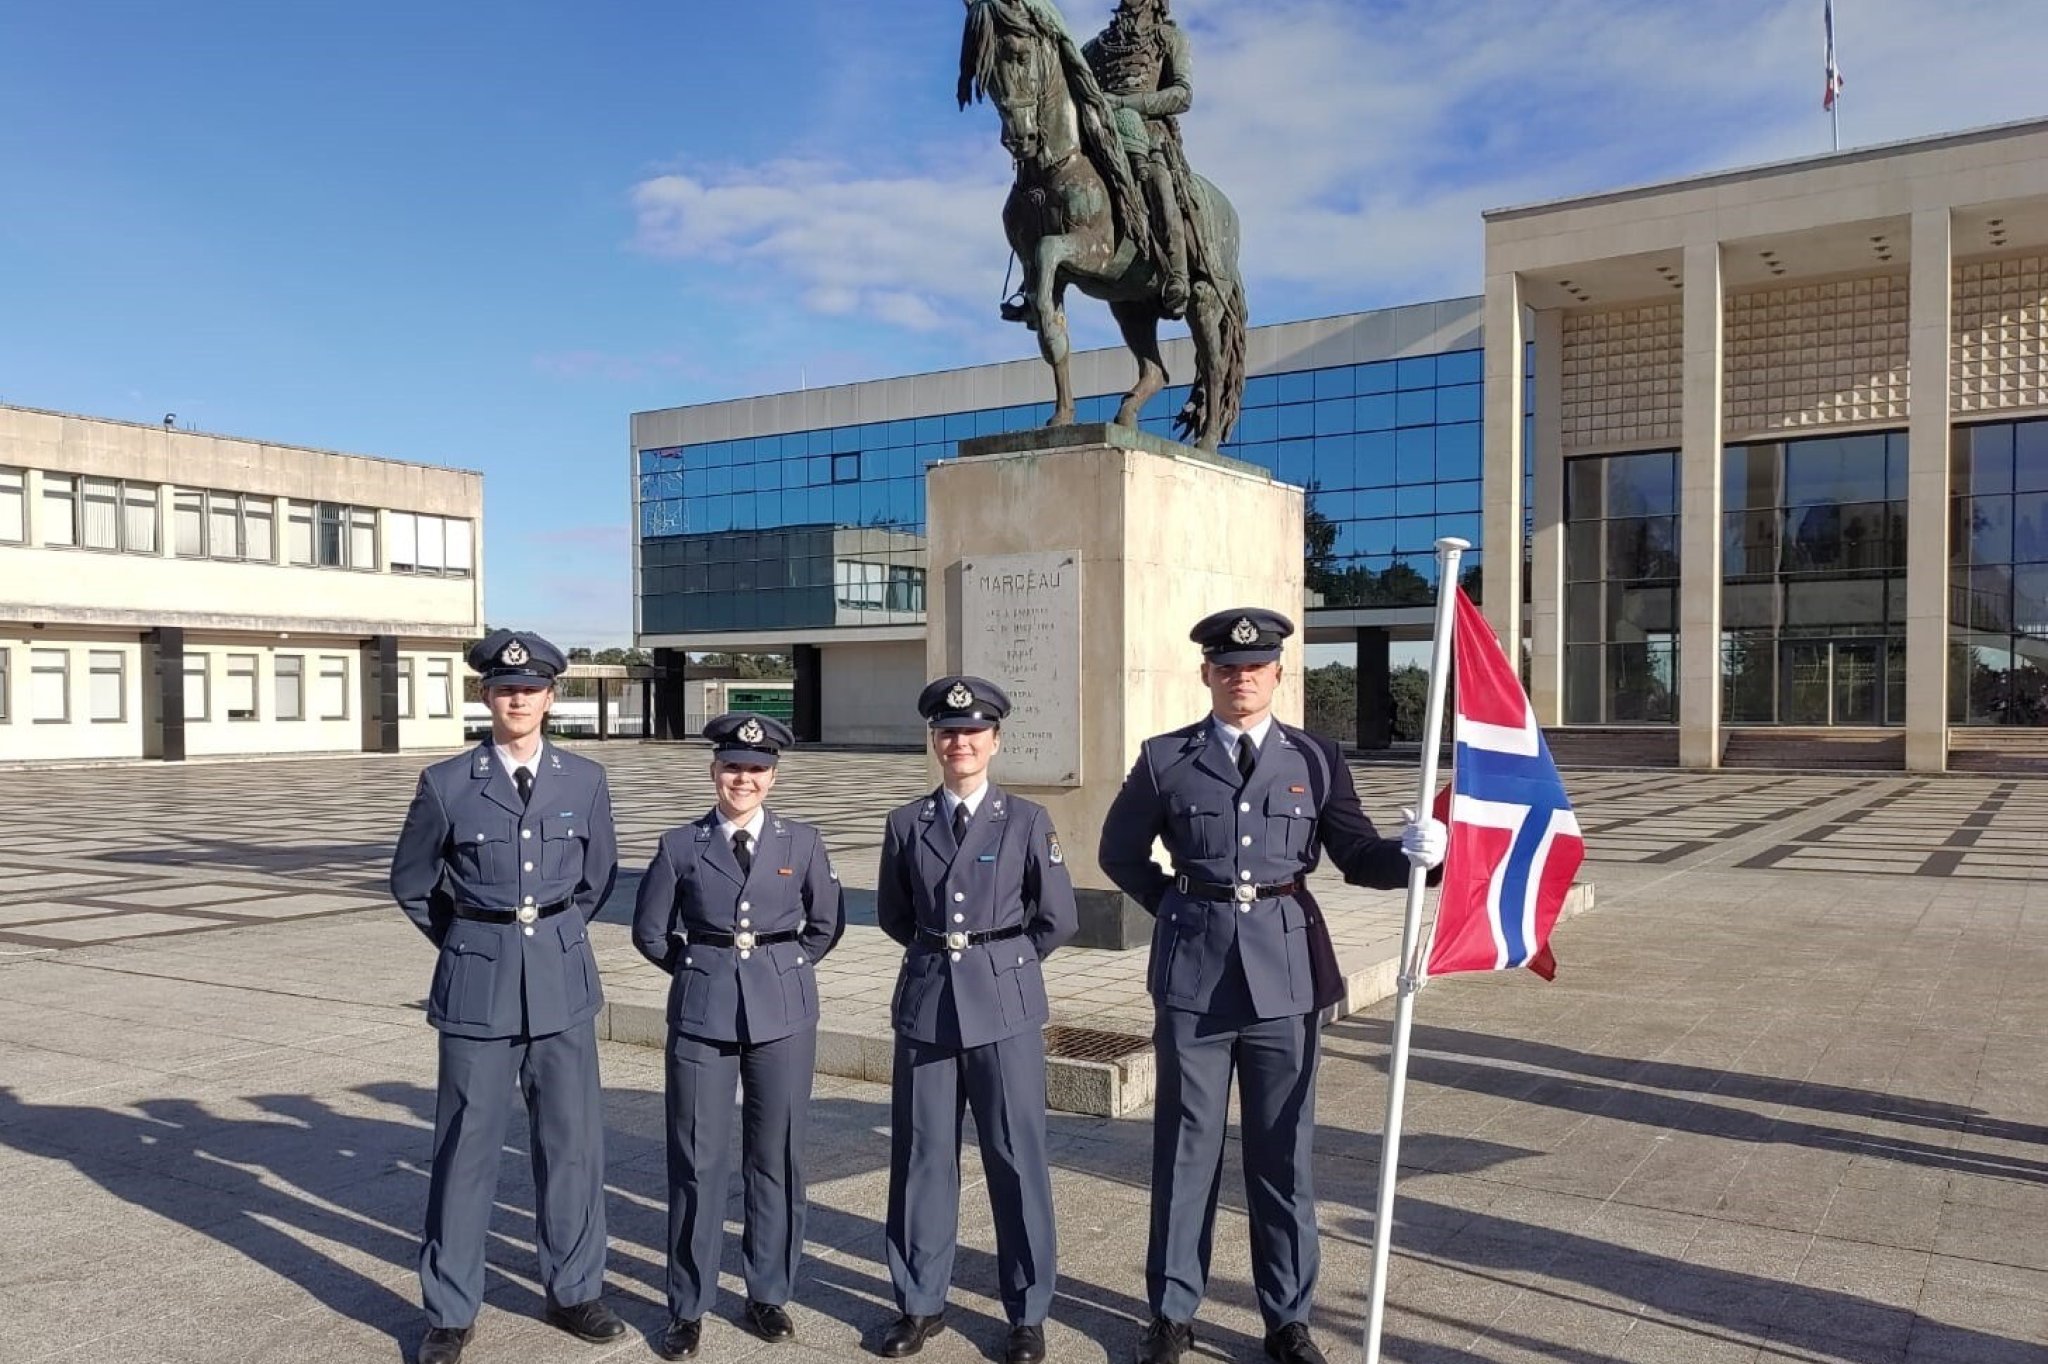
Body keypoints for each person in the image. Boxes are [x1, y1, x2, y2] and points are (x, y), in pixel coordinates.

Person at [1097, 610, 1446, 1364]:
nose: (1241, 678)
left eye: (1255, 667)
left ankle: (1288, 1320)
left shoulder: (1315, 758)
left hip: (1287, 978)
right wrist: (1182, 909)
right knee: (1186, 1149)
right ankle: (1172, 1313)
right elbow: (1119, 854)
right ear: (1207, 675)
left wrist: (1422, 858)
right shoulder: (1166, 758)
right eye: (1227, 667)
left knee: (1283, 1152)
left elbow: (1356, 855)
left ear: (1279, 673)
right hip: (1194, 980)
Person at [389, 629, 625, 1364]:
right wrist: (471, 941)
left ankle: (575, 1288)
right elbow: (411, 881)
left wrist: (547, 939)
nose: (517, 697)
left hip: (560, 985)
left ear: (552, 696)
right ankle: (451, 1309)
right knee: (465, 1147)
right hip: (477, 988)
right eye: (504, 687)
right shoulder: (446, 782)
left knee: (572, 1143)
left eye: (531, 688)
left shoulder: (583, 780)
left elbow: (597, 880)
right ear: (485, 695)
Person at [873, 676, 1079, 1364]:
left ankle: (1026, 1311)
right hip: (929, 1006)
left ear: (995, 740)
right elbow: (897, 917)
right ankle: (920, 1301)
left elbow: (1056, 918)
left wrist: (999, 967)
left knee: (1015, 1159)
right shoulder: (907, 823)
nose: (958, 742)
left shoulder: (1025, 820)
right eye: (947, 732)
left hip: (1005, 1009)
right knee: (923, 1158)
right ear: (934, 740)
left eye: (972, 731)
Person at [630, 713, 845, 1360]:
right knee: (696, 1159)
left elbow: (826, 924)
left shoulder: (801, 842)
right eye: (732, 768)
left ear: (773, 776)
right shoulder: (679, 845)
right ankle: (687, 1304)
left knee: (775, 1155)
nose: (742, 779)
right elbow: (648, 931)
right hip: (703, 1013)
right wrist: (700, 969)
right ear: (714, 771)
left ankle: (768, 1292)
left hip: (783, 1014)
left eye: (755, 770)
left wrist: (783, 968)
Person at [1084, 0, 1192, 316]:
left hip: (1151, 135)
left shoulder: (1169, 38)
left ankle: (1177, 272)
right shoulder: (1095, 47)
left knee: (1159, 184)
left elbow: (1183, 95)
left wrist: (1126, 103)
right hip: (1102, 136)